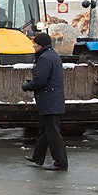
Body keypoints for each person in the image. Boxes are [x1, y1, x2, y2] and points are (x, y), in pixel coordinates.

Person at [22, 32, 68, 171]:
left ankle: (60, 162)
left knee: (53, 133)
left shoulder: (44, 58)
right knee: (44, 130)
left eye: (35, 44)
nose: (33, 46)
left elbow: (41, 80)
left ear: (40, 45)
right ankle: (38, 157)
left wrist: (27, 86)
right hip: (52, 100)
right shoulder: (53, 55)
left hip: (49, 100)